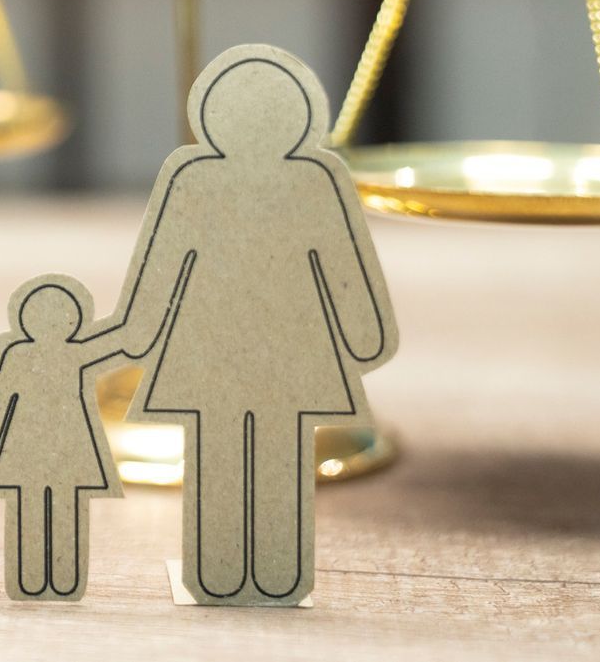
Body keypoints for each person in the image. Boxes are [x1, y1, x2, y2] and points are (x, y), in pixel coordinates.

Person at [102, 44, 399, 606]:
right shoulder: (260, 181)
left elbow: (339, 263)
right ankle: (251, 571)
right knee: (250, 447)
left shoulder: (295, 181)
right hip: (264, 349)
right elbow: (166, 262)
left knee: (259, 447)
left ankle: (245, 572)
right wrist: (366, 336)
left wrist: (136, 333)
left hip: (236, 348)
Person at [0, 275, 176, 600]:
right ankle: (32, 575)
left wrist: (151, 311)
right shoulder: (17, 356)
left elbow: (126, 339)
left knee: (65, 507)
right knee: (30, 508)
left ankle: (62, 575)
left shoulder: (79, 352)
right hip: (28, 450)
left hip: (70, 449)